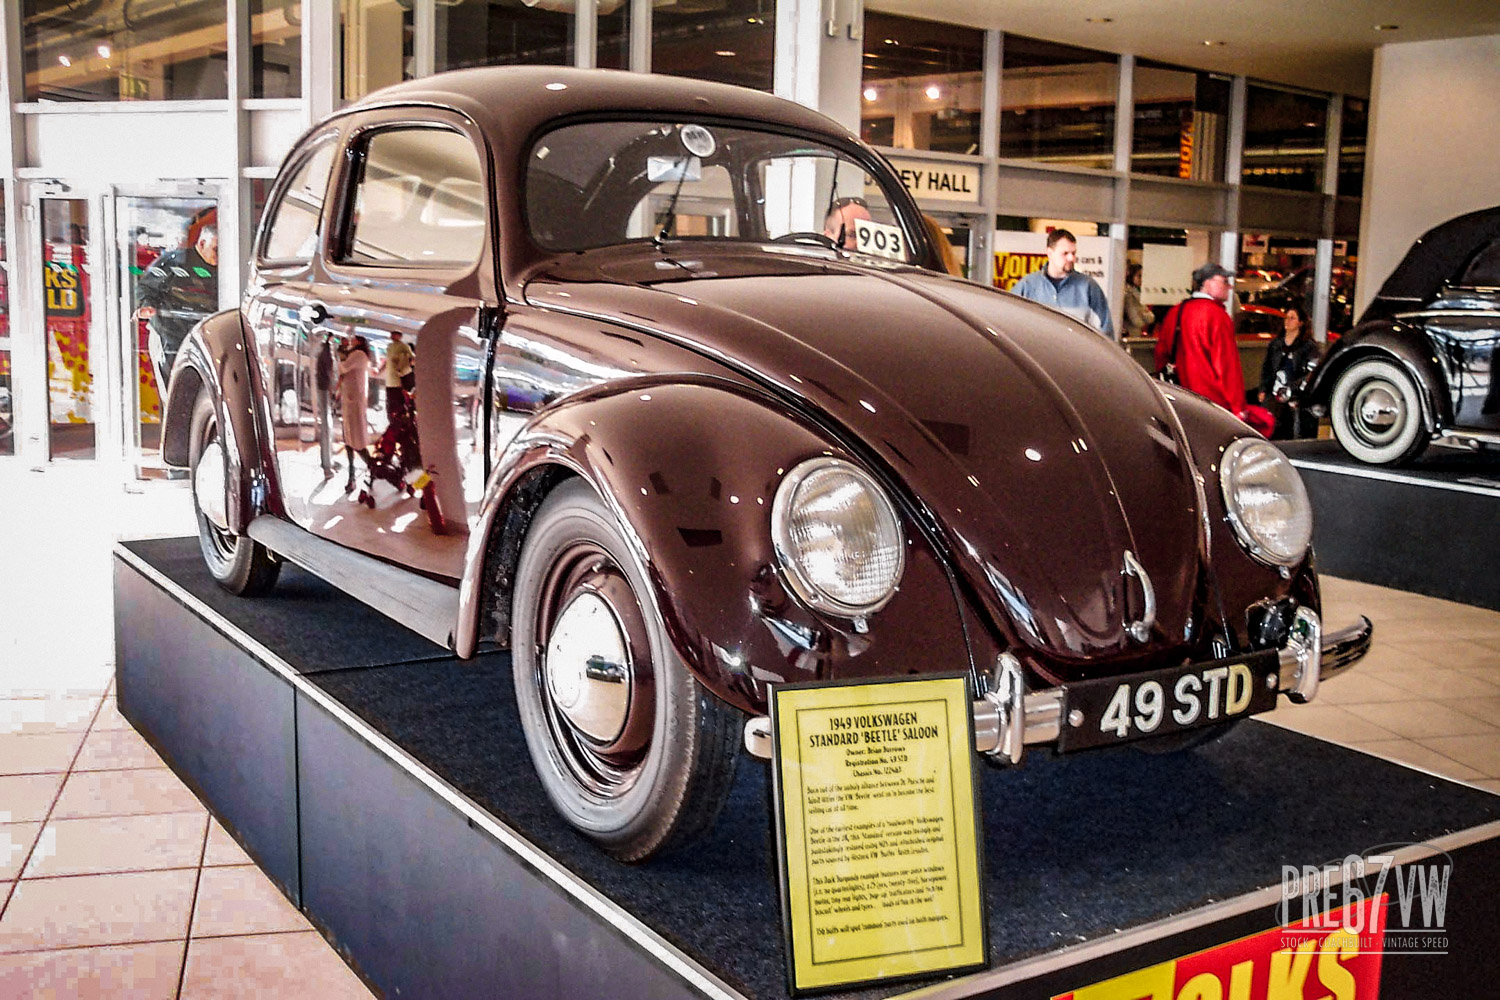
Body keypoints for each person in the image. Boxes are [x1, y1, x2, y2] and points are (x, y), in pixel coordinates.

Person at [1155, 262, 1273, 436]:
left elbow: (1161, 354)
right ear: (1207, 283)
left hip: (1181, 401)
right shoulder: (1217, 316)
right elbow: (1227, 367)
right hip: (1213, 405)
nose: (1229, 286)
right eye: (1224, 281)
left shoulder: (1176, 312)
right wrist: (1238, 409)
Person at [137, 223, 219, 391]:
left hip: (202, 338)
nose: (219, 256)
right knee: (173, 391)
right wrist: (147, 306)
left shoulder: (224, 269)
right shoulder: (174, 261)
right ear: (202, 243)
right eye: (216, 249)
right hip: (169, 337)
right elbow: (145, 288)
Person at [1010, 228, 1115, 337]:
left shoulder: (1088, 287)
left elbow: (1105, 332)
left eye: (1073, 253)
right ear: (1050, 253)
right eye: (1065, 253)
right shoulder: (1027, 286)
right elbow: (1009, 323)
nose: (1071, 258)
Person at [1258, 304, 1320, 439]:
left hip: (1295, 394)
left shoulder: (1308, 347)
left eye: (1292, 318)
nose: (1288, 321)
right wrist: (1263, 388)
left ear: (1301, 323)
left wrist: (1296, 389)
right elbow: (1267, 367)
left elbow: (1311, 372)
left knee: (1293, 429)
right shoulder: (1276, 345)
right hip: (1275, 393)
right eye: (1286, 318)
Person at [336, 336, 372, 494]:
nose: (350, 341)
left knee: (356, 442)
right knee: (350, 441)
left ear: (360, 341)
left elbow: (343, 368)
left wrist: (337, 358)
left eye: (354, 339)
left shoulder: (358, 355)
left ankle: (372, 468)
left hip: (353, 402)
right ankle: (352, 477)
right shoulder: (357, 354)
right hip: (350, 401)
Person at [1122, 263, 1153, 338]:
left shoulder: (1139, 294)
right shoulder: (1128, 295)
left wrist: (1141, 312)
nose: (1142, 279)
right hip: (1129, 334)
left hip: (1135, 334)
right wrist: (1143, 312)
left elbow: (1151, 318)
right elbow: (1137, 321)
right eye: (1139, 276)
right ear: (1131, 276)